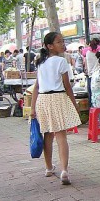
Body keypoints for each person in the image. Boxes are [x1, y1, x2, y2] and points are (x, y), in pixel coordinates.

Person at [30, 32, 82, 185]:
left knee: (47, 135)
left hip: (43, 100)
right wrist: (75, 104)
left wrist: (32, 108)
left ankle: (48, 168)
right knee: (61, 137)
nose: (63, 44)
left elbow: (36, 87)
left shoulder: (40, 62)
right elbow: (67, 87)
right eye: (59, 42)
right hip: (58, 98)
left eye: (62, 41)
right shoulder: (61, 61)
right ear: (50, 46)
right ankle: (64, 170)